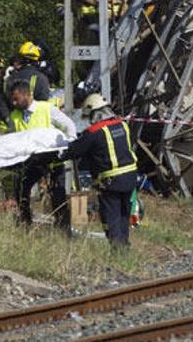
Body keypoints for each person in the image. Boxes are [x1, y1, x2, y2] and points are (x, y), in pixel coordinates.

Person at [62, 94, 138, 248]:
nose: (89, 120)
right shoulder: (122, 125)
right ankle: (125, 245)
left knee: (111, 216)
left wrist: (60, 151)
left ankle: (117, 249)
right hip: (130, 177)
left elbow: (74, 151)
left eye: (89, 116)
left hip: (111, 181)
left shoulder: (94, 132)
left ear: (94, 113)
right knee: (124, 214)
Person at [8, 80, 77, 228]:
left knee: (58, 195)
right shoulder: (14, 116)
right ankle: (25, 225)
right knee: (21, 190)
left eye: (16, 99)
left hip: (52, 160)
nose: (13, 103)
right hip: (31, 162)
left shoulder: (46, 109)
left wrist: (67, 148)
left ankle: (64, 231)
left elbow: (69, 127)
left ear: (26, 95)